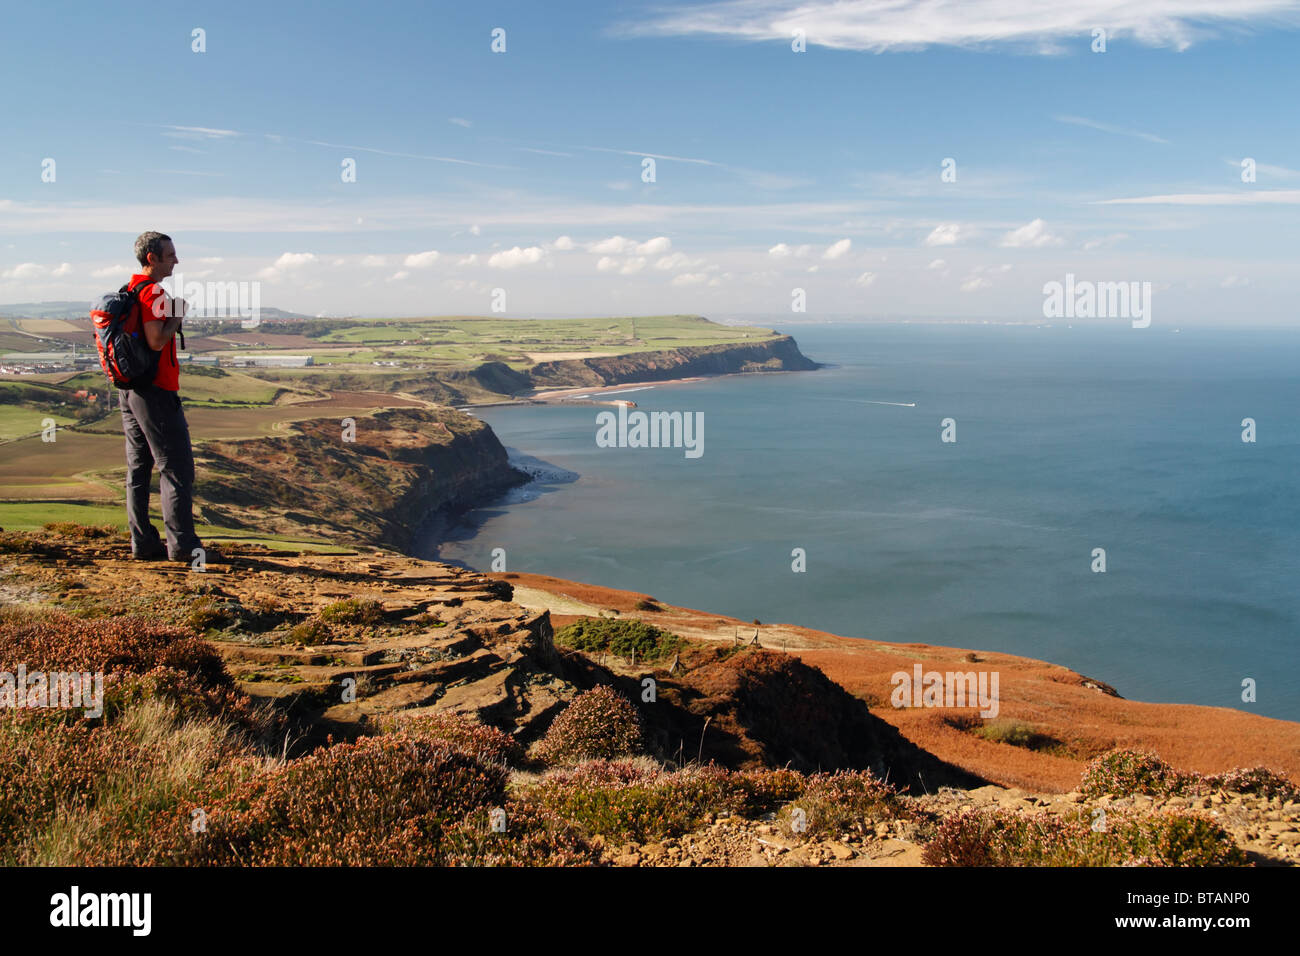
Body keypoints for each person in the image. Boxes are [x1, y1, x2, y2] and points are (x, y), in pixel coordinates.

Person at [121, 231, 217, 563]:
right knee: (176, 468)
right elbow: (156, 341)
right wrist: (179, 312)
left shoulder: (130, 290)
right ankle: (184, 548)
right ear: (152, 258)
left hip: (131, 390)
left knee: (138, 468)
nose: (176, 260)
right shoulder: (152, 293)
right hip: (156, 391)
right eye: (170, 254)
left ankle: (143, 543)